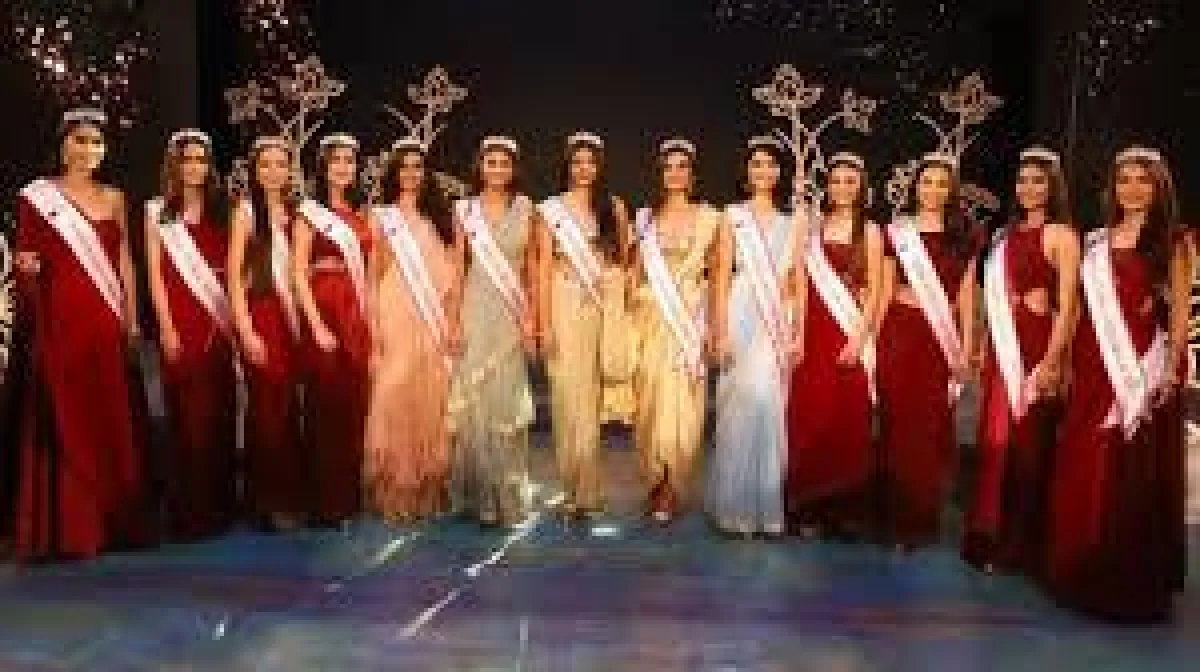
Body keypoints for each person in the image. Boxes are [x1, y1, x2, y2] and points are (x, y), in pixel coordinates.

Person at [1043, 146, 1191, 623]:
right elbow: (1080, 308)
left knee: (1129, 468)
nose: (1133, 189)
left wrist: (1170, 367)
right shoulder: (1094, 242)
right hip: (1093, 361)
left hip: (1142, 363)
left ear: (1159, 187)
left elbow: (1180, 311)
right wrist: (1062, 360)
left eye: (1143, 180)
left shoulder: (1174, 240)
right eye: (1124, 179)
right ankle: (1079, 567)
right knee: (1084, 460)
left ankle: (1125, 579)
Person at [12, 107, 148, 560]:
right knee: (64, 414)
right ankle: (68, 529)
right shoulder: (37, 197)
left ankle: (109, 524)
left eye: (96, 142)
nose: (89, 149)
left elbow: (124, 260)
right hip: (59, 318)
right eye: (80, 140)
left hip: (104, 318)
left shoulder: (115, 198)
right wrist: (27, 275)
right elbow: (26, 259)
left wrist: (131, 317)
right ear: (63, 146)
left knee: (106, 414)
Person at [962, 147, 1080, 575]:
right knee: (996, 439)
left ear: (1053, 187)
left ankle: (1021, 544)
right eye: (1023, 180)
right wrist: (980, 342)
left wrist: (1053, 360)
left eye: (1038, 181)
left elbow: (1069, 306)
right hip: (1002, 347)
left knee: (1029, 445)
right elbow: (988, 298)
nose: (1028, 188)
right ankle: (988, 534)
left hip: (1035, 346)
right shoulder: (1002, 236)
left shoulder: (1062, 235)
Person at [875, 153, 982, 549]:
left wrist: (967, 344)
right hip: (899, 332)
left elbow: (967, 294)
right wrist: (874, 340)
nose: (933, 190)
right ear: (915, 187)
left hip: (939, 339)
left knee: (928, 428)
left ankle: (918, 519)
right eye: (927, 182)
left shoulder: (966, 235)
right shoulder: (897, 232)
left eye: (941, 183)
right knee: (896, 424)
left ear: (951, 190)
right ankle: (890, 515)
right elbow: (884, 289)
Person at [145, 129, 238, 541]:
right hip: (181, 316)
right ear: (174, 164)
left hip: (218, 316)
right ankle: (190, 511)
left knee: (220, 410)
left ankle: (221, 505)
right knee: (187, 416)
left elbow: (235, 268)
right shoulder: (156, 212)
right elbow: (155, 276)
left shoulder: (224, 208)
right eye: (187, 159)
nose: (195, 167)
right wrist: (166, 326)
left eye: (201, 160)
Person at [363, 138, 463, 522]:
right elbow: (373, 277)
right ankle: (396, 491)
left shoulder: (442, 218)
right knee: (394, 396)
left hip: (431, 319)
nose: (410, 173)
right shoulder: (381, 217)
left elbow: (454, 278)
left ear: (427, 173)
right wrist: (375, 326)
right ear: (393, 172)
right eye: (403, 167)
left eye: (417, 167)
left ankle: (428, 489)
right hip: (394, 314)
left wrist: (453, 321)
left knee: (431, 398)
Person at [786, 152, 883, 539]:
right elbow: (801, 283)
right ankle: (808, 505)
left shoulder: (870, 231)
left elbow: (875, 290)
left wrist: (859, 339)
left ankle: (844, 510)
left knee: (847, 418)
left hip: (848, 331)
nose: (842, 188)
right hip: (815, 332)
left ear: (861, 187)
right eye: (836, 180)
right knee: (810, 415)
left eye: (850, 181)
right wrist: (798, 331)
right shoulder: (814, 227)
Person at [533, 132, 630, 519]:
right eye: (577, 162)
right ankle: (570, 488)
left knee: (588, 401)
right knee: (564, 400)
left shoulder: (614, 207)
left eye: (591, 161)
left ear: (599, 166)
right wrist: (544, 324)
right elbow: (542, 268)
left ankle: (588, 491)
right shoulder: (548, 210)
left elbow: (623, 262)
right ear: (567, 166)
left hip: (597, 309)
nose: (584, 168)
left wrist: (611, 290)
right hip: (561, 304)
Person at [706, 136, 797, 537]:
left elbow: (796, 280)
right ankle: (735, 509)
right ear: (746, 170)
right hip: (740, 310)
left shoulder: (794, 222)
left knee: (767, 405)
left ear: (781, 172)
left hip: (775, 316)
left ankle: (765, 508)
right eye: (756, 163)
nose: (763, 171)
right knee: (738, 405)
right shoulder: (733, 216)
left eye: (770, 164)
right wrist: (719, 330)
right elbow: (721, 275)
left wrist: (795, 329)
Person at [630, 138, 721, 524]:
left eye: (682, 166)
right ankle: (654, 479)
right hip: (651, 319)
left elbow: (717, 275)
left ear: (692, 173)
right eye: (668, 167)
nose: (675, 173)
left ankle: (672, 484)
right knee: (650, 401)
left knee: (684, 405)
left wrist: (714, 324)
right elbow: (635, 272)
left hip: (689, 319)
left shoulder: (711, 218)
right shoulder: (644, 218)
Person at [449, 136, 537, 527]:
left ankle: (506, 491)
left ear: (513, 169)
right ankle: (479, 494)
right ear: (480, 167)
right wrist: (453, 319)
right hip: (475, 307)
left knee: (506, 400)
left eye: (504, 163)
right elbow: (458, 266)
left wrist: (531, 318)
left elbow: (532, 268)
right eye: (491, 162)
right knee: (475, 402)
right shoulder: (464, 209)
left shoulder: (527, 208)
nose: (498, 169)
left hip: (510, 311)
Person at [227, 136, 306, 531]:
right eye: (266, 165)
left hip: (291, 318)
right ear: (255, 171)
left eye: (281, 165)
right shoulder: (245, 212)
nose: (274, 172)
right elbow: (233, 275)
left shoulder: (297, 213)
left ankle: (289, 494)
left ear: (290, 170)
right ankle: (266, 500)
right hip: (261, 316)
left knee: (289, 406)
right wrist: (245, 328)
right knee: (266, 407)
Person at [293, 133, 372, 526]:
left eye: (349, 161)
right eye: (335, 160)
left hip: (355, 313)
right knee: (325, 406)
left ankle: (349, 497)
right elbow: (297, 273)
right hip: (324, 312)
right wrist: (316, 325)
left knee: (353, 406)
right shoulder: (308, 213)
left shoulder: (360, 215)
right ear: (322, 168)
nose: (343, 167)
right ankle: (325, 502)